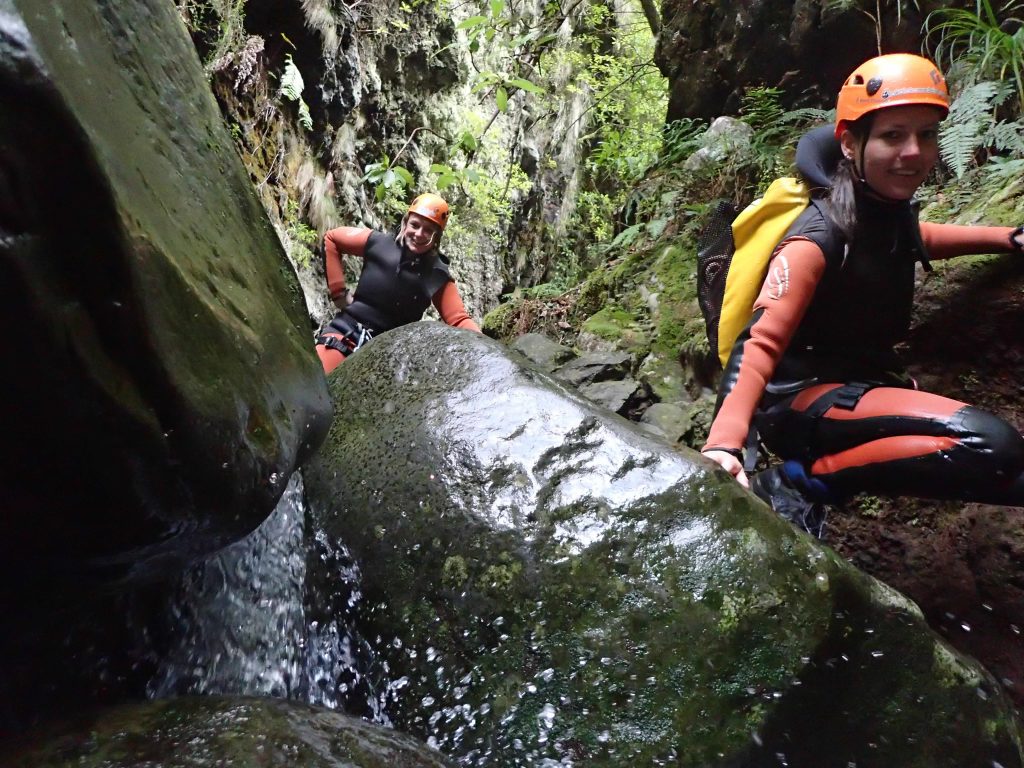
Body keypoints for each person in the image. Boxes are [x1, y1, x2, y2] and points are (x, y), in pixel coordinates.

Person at [700, 53, 1024, 536]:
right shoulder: (814, 238)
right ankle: (800, 484)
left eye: (927, 135)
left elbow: (918, 238)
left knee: (1010, 474)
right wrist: (725, 444)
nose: (914, 152)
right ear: (851, 143)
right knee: (990, 445)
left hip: (858, 383)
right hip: (799, 403)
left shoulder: (881, 211)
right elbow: (760, 342)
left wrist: (1006, 237)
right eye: (893, 135)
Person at [315, 192, 481, 373]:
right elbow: (332, 238)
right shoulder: (378, 243)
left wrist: (485, 348)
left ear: (437, 236)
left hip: (389, 355)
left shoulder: (436, 274)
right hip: (345, 333)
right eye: (415, 225)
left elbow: (459, 320)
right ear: (405, 222)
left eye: (428, 230)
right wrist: (338, 292)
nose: (419, 234)